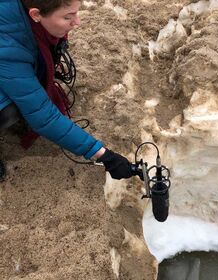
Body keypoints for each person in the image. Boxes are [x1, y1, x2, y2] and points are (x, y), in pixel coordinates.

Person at [0, 0, 135, 181]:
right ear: (35, 15)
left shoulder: (31, 22)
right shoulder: (8, 48)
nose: (77, 22)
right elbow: (43, 116)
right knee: (8, 109)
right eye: (68, 17)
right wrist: (104, 156)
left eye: (76, 13)